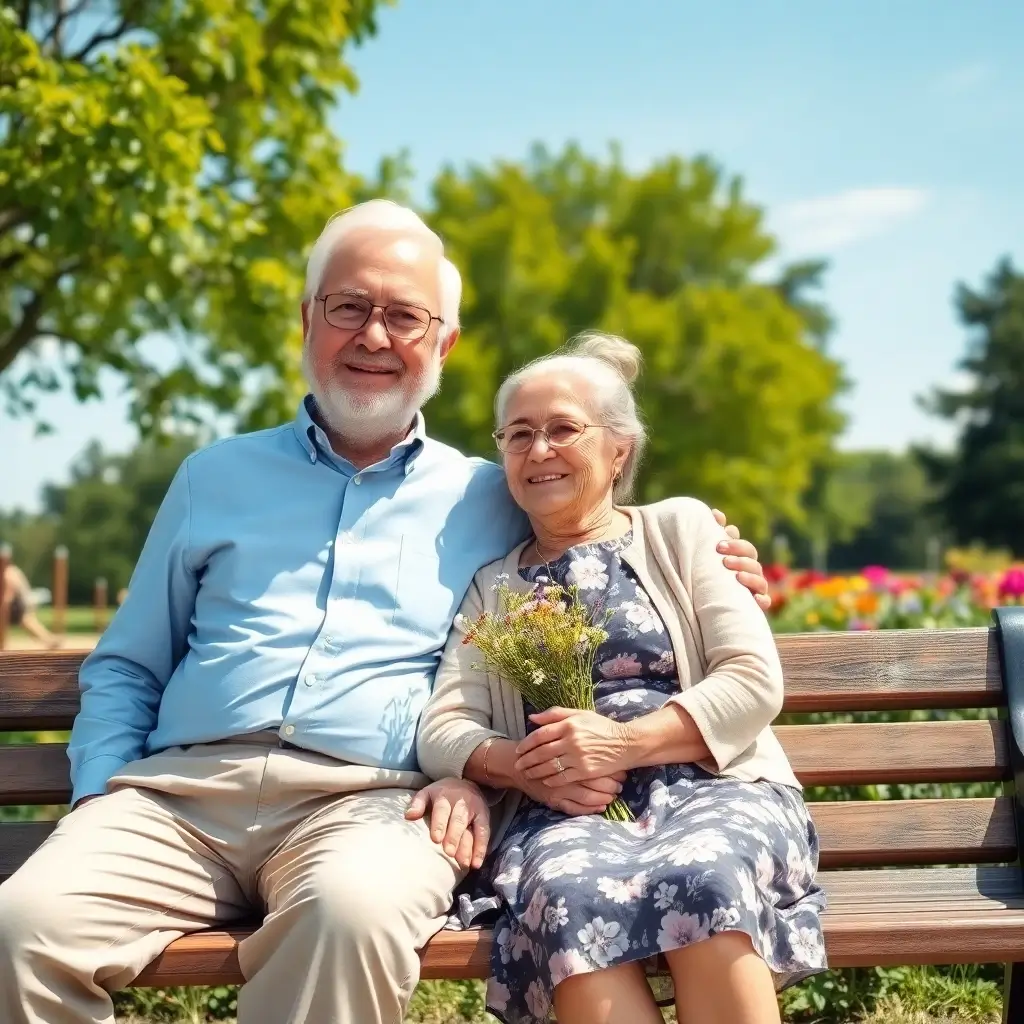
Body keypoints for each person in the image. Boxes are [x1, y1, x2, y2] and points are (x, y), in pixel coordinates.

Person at [0, 201, 768, 1024]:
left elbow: (599, 531)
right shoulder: (211, 477)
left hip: (374, 803)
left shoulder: (495, 490)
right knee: (21, 927)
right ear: (307, 320)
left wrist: (722, 559)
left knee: (350, 918)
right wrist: (98, 794)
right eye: (349, 307)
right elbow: (128, 662)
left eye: (404, 315)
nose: (374, 336)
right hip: (176, 798)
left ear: (444, 343)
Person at [414, 333, 826, 1024]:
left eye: (562, 429)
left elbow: (753, 680)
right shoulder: (494, 586)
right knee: (570, 894)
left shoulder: (683, 530)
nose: (538, 450)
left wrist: (622, 744)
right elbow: (444, 725)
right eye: (517, 435)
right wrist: (520, 765)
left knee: (705, 874)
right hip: (563, 809)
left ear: (618, 449)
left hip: (715, 785)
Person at [1, 563, 60, 649]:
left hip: (17, 603)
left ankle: (48, 639)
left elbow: (8, 596)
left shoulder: (7, 572)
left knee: (26, 620)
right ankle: (48, 639)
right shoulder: (11, 570)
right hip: (22, 601)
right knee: (27, 621)